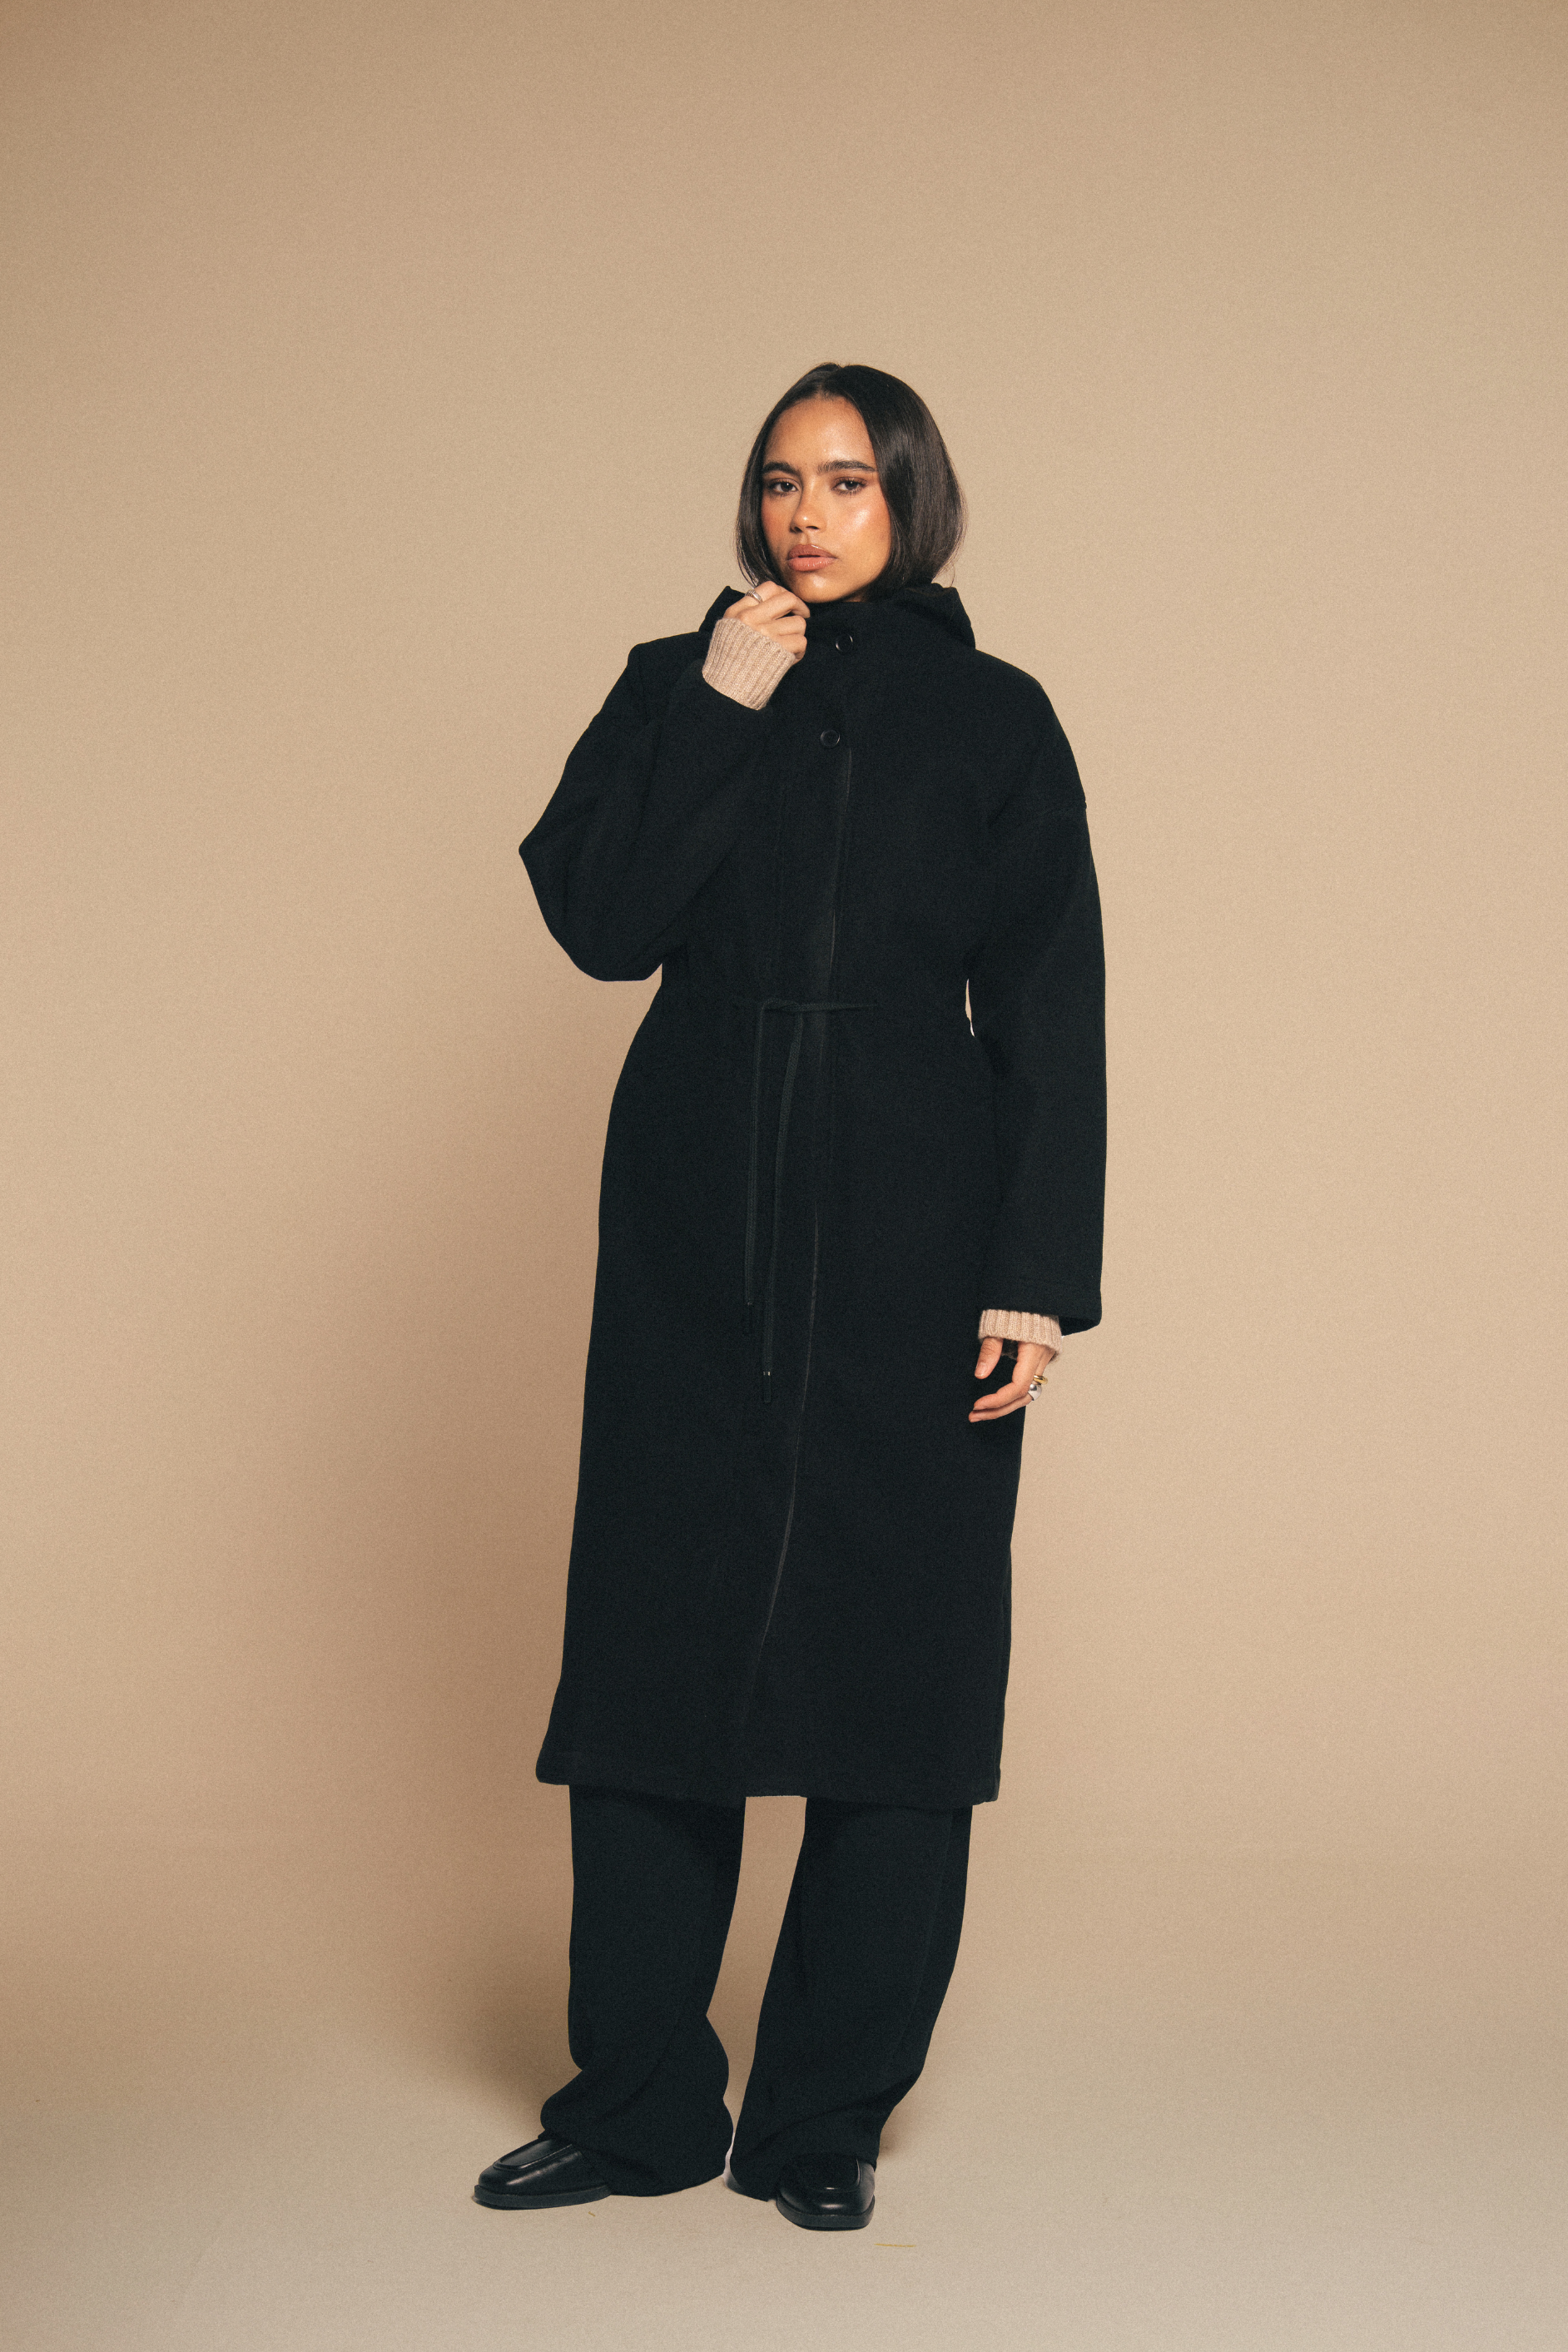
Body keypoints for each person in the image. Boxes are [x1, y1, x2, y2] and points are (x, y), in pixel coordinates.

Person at [474, 362, 1106, 2232]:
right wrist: (718, 707)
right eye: (778, 482)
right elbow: (600, 923)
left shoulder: (997, 718)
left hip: (920, 1235)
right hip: (696, 1226)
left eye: (845, 481)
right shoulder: (679, 680)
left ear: (912, 497)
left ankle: (824, 2118)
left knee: (901, 1676)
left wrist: (1035, 1277)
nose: (806, 515)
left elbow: (1050, 1003)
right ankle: (638, 2106)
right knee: (653, 1660)